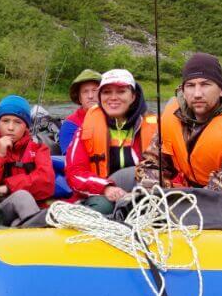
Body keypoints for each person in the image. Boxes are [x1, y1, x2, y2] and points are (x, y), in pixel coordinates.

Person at [136, 52, 222, 196]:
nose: (197, 93)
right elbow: (151, 163)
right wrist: (154, 191)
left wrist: (178, 199)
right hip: (193, 196)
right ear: (183, 91)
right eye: (190, 85)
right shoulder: (171, 118)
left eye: (205, 85)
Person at [64, 68, 158, 208]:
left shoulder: (155, 128)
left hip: (146, 193)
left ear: (133, 96)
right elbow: (74, 173)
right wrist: (106, 188)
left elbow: (170, 170)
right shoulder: (85, 129)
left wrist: (143, 192)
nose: (113, 97)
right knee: (103, 207)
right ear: (100, 97)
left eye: (121, 91)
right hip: (102, 194)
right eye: (107, 92)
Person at [0, 94, 56, 225]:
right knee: (22, 196)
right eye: (5, 121)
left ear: (26, 126)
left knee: (19, 222)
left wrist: (8, 187)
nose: (11, 128)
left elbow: (46, 182)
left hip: (30, 210)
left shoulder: (39, 149)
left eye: (17, 122)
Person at [58, 69, 102, 153]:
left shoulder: (115, 118)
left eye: (95, 90)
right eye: (85, 92)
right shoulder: (70, 125)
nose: (90, 96)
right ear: (79, 98)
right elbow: (69, 159)